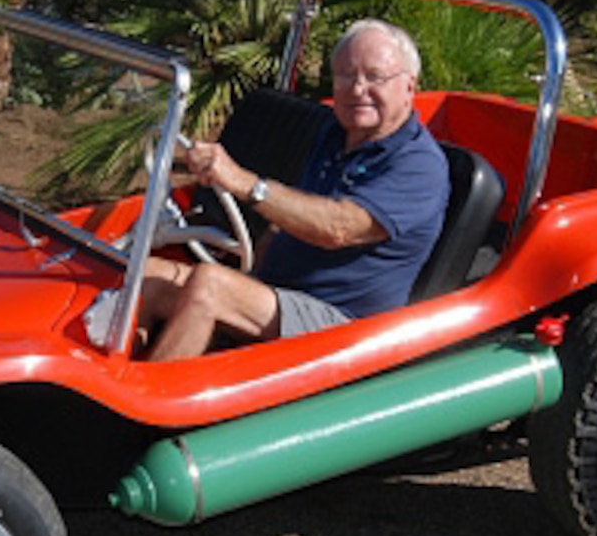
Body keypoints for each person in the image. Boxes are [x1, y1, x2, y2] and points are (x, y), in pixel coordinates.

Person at [139, 18, 450, 362]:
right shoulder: (336, 134)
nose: (357, 89)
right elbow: (298, 209)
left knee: (210, 286)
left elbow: (338, 227)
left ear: (409, 86)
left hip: (344, 326)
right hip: (279, 292)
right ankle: (106, 387)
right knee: (149, 275)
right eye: (346, 75)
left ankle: (145, 408)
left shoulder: (419, 166)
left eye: (375, 77)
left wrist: (244, 183)